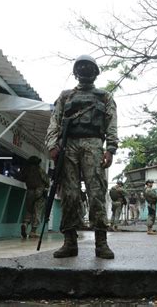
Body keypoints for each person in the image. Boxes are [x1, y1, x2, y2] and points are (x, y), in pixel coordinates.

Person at [45, 54, 118, 259]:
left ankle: (101, 242)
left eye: (89, 67)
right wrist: (52, 145)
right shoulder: (65, 96)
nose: (85, 69)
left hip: (94, 144)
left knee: (96, 192)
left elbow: (111, 122)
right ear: (76, 72)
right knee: (70, 194)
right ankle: (70, 242)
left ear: (96, 72)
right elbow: (55, 122)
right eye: (81, 66)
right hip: (68, 146)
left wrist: (110, 148)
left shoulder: (104, 96)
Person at [17, 155, 49, 239]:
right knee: (37, 211)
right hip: (39, 192)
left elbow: (21, 178)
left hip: (29, 191)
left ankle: (25, 224)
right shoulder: (40, 170)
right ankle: (33, 232)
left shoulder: (26, 170)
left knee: (29, 210)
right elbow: (47, 181)